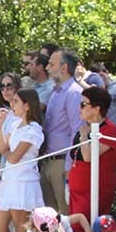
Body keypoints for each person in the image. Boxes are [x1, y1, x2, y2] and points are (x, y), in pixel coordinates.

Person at [0, 88, 45, 232]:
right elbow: (2, 147)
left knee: (21, 225)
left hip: (23, 181)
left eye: (16, 101)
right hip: (10, 180)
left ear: (27, 105)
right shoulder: (15, 124)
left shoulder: (33, 129)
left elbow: (14, 157)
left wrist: (7, 153)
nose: (12, 104)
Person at [39, 48, 83, 214]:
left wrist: (69, 166)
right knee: (49, 218)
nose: (47, 68)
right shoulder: (56, 92)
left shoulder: (73, 93)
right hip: (48, 161)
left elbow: (77, 130)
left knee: (65, 215)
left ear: (64, 68)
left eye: (51, 64)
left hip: (62, 163)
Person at [68, 86, 116, 218]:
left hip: (94, 191)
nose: (79, 108)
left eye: (83, 104)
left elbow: (88, 156)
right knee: (75, 227)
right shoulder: (86, 127)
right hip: (77, 190)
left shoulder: (109, 130)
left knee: (86, 227)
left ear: (97, 108)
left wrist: (84, 136)